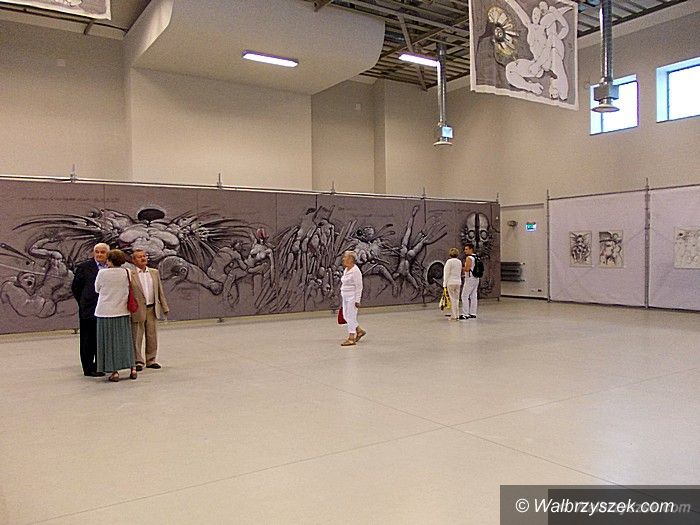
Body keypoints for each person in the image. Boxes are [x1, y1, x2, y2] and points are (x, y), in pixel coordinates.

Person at [95, 249, 137, 382]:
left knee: (109, 342)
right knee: (125, 341)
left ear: (109, 260)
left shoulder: (102, 273)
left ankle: (114, 371)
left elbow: (97, 289)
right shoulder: (127, 272)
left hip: (105, 312)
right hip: (122, 310)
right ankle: (132, 367)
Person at [71, 243, 109, 377]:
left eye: (102, 252)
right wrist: (83, 302)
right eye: (97, 252)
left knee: (102, 338)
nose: (99, 254)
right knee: (88, 339)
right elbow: (76, 287)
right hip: (89, 309)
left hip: (106, 309)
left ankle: (101, 364)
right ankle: (88, 367)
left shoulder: (110, 268)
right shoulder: (84, 267)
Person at [129, 249, 170, 371]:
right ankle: (138, 361)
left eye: (144, 256)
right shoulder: (130, 274)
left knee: (152, 336)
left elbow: (159, 291)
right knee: (137, 336)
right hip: (138, 310)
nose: (143, 258)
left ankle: (151, 359)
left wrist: (164, 307)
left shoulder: (154, 272)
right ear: (133, 260)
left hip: (152, 308)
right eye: (139, 257)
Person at [339, 250, 366, 347]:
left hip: (352, 297)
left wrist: (357, 300)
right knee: (346, 316)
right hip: (345, 296)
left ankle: (351, 337)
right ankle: (359, 330)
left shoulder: (355, 271)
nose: (343, 259)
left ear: (351, 259)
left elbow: (359, 286)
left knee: (351, 316)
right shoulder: (346, 270)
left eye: (345, 257)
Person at [460, 243, 479, 320]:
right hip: (476, 278)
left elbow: (467, 269)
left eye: (466, 249)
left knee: (464, 295)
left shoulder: (469, 258)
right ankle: (473, 313)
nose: (465, 251)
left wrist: (461, 268)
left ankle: (465, 314)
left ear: (471, 249)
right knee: (473, 295)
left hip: (470, 278)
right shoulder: (477, 257)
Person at [442, 248, 462, 321]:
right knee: (456, 299)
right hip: (458, 282)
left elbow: (446, 273)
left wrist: (444, 284)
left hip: (450, 282)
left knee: (452, 299)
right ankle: (457, 314)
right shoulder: (459, 262)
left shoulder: (449, 262)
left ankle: (454, 316)